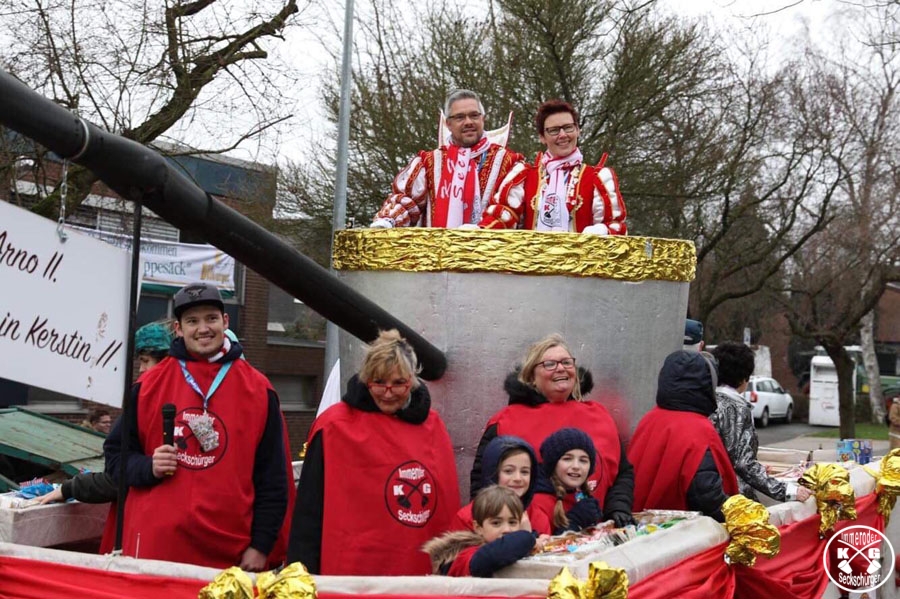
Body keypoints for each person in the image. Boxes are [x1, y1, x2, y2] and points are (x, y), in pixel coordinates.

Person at [104, 282, 291, 571]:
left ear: (225, 321)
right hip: (156, 551)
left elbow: (273, 478)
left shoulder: (259, 390)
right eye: (192, 321)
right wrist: (148, 467)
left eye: (211, 318)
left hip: (229, 555)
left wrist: (261, 545)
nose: (203, 329)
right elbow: (115, 459)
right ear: (178, 329)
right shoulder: (147, 386)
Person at [287, 329, 459, 575]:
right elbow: (308, 511)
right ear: (366, 379)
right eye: (379, 382)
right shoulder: (334, 427)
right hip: (350, 573)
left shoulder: (432, 427)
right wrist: (300, 572)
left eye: (398, 383)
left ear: (412, 382)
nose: (388, 392)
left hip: (414, 572)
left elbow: (445, 508)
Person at [470, 334, 634, 528]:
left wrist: (617, 509)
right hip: (530, 534)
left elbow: (622, 472)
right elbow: (483, 483)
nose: (561, 368)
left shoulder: (601, 415)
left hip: (595, 532)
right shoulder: (505, 422)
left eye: (566, 362)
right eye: (549, 364)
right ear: (532, 376)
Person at [38, 321, 176, 507]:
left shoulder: (150, 397)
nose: (141, 369)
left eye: (145, 361)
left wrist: (68, 489)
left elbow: (116, 478)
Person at [371, 89, 522, 229]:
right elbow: (406, 201)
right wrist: (389, 220)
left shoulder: (508, 162)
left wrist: (481, 231)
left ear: (483, 119)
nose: (468, 122)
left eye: (474, 115)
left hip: (488, 248)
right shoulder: (429, 162)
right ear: (448, 124)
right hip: (437, 248)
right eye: (460, 117)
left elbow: (509, 209)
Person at [479, 99, 626, 234]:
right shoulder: (524, 176)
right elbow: (503, 216)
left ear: (578, 130)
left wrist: (602, 231)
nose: (562, 135)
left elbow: (615, 227)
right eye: (554, 130)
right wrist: (478, 232)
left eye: (568, 128)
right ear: (542, 137)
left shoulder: (597, 178)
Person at [628, 350, 739, 521]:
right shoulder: (698, 430)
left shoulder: (651, 418)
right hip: (677, 529)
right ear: (706, 385)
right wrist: (740, 516)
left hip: (642, 524)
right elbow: (706, 496)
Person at [710, 342, 811, 503]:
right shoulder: (737, 409)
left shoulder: (706, 401)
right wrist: (788, 491)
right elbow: (743, 464)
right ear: (745, 377)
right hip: (732, 499)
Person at [423, 485, 548, 577]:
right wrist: (528, 538)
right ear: (478, 528)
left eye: (512, 522)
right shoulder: (464, 554)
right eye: (496, 523)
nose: (506, 530)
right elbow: (493, 556)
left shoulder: (516, 545)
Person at [450, 435, 551, 535]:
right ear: (492, 473)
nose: (518, 478)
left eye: (524, 472)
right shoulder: (467, 517)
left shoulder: (538, 517)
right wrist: (524, 539)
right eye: (508, 471)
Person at [531, 428, 604, 534]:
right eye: (567, 459)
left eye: (583, 460)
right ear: (553, 464)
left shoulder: (580, 496)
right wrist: (574, 523)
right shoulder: (538, 503)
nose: (576, 466)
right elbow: (542, 544)